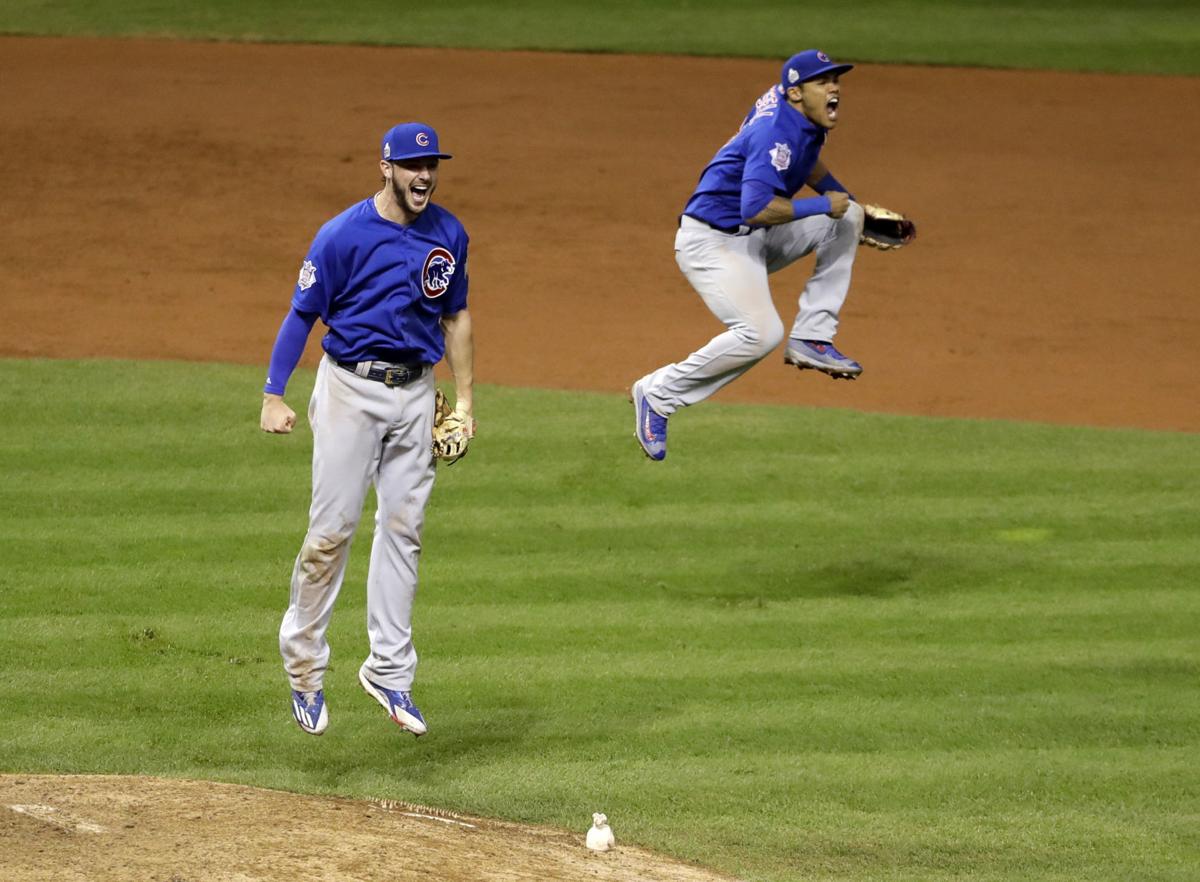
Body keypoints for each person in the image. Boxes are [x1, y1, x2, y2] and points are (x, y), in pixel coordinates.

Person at [259, 122, 474, 737]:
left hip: (415, 392)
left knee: (404, 529)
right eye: (413, 165)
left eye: (432, 164)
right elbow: (301, 315)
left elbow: (456, 318)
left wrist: (462, 402)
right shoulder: (341, 237)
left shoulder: (449, 234)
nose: (424, 175)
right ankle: (304, 669)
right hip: (350, 389)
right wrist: (274, 394)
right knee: (331, 532)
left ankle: (389, 671)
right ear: (386, 168)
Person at [632, 49, 870, 461]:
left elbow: (805, 161)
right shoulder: (775, 133)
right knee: (760, 334)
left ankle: (812, 336)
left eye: (836, 80)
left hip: (754, 237)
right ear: (795, 93)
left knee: (851, 216)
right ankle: (657, 394)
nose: (834, 88)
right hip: (713, 243)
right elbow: (755, 207)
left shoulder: (800, 115)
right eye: (823, 82)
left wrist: (842, 198)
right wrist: (822, 205)